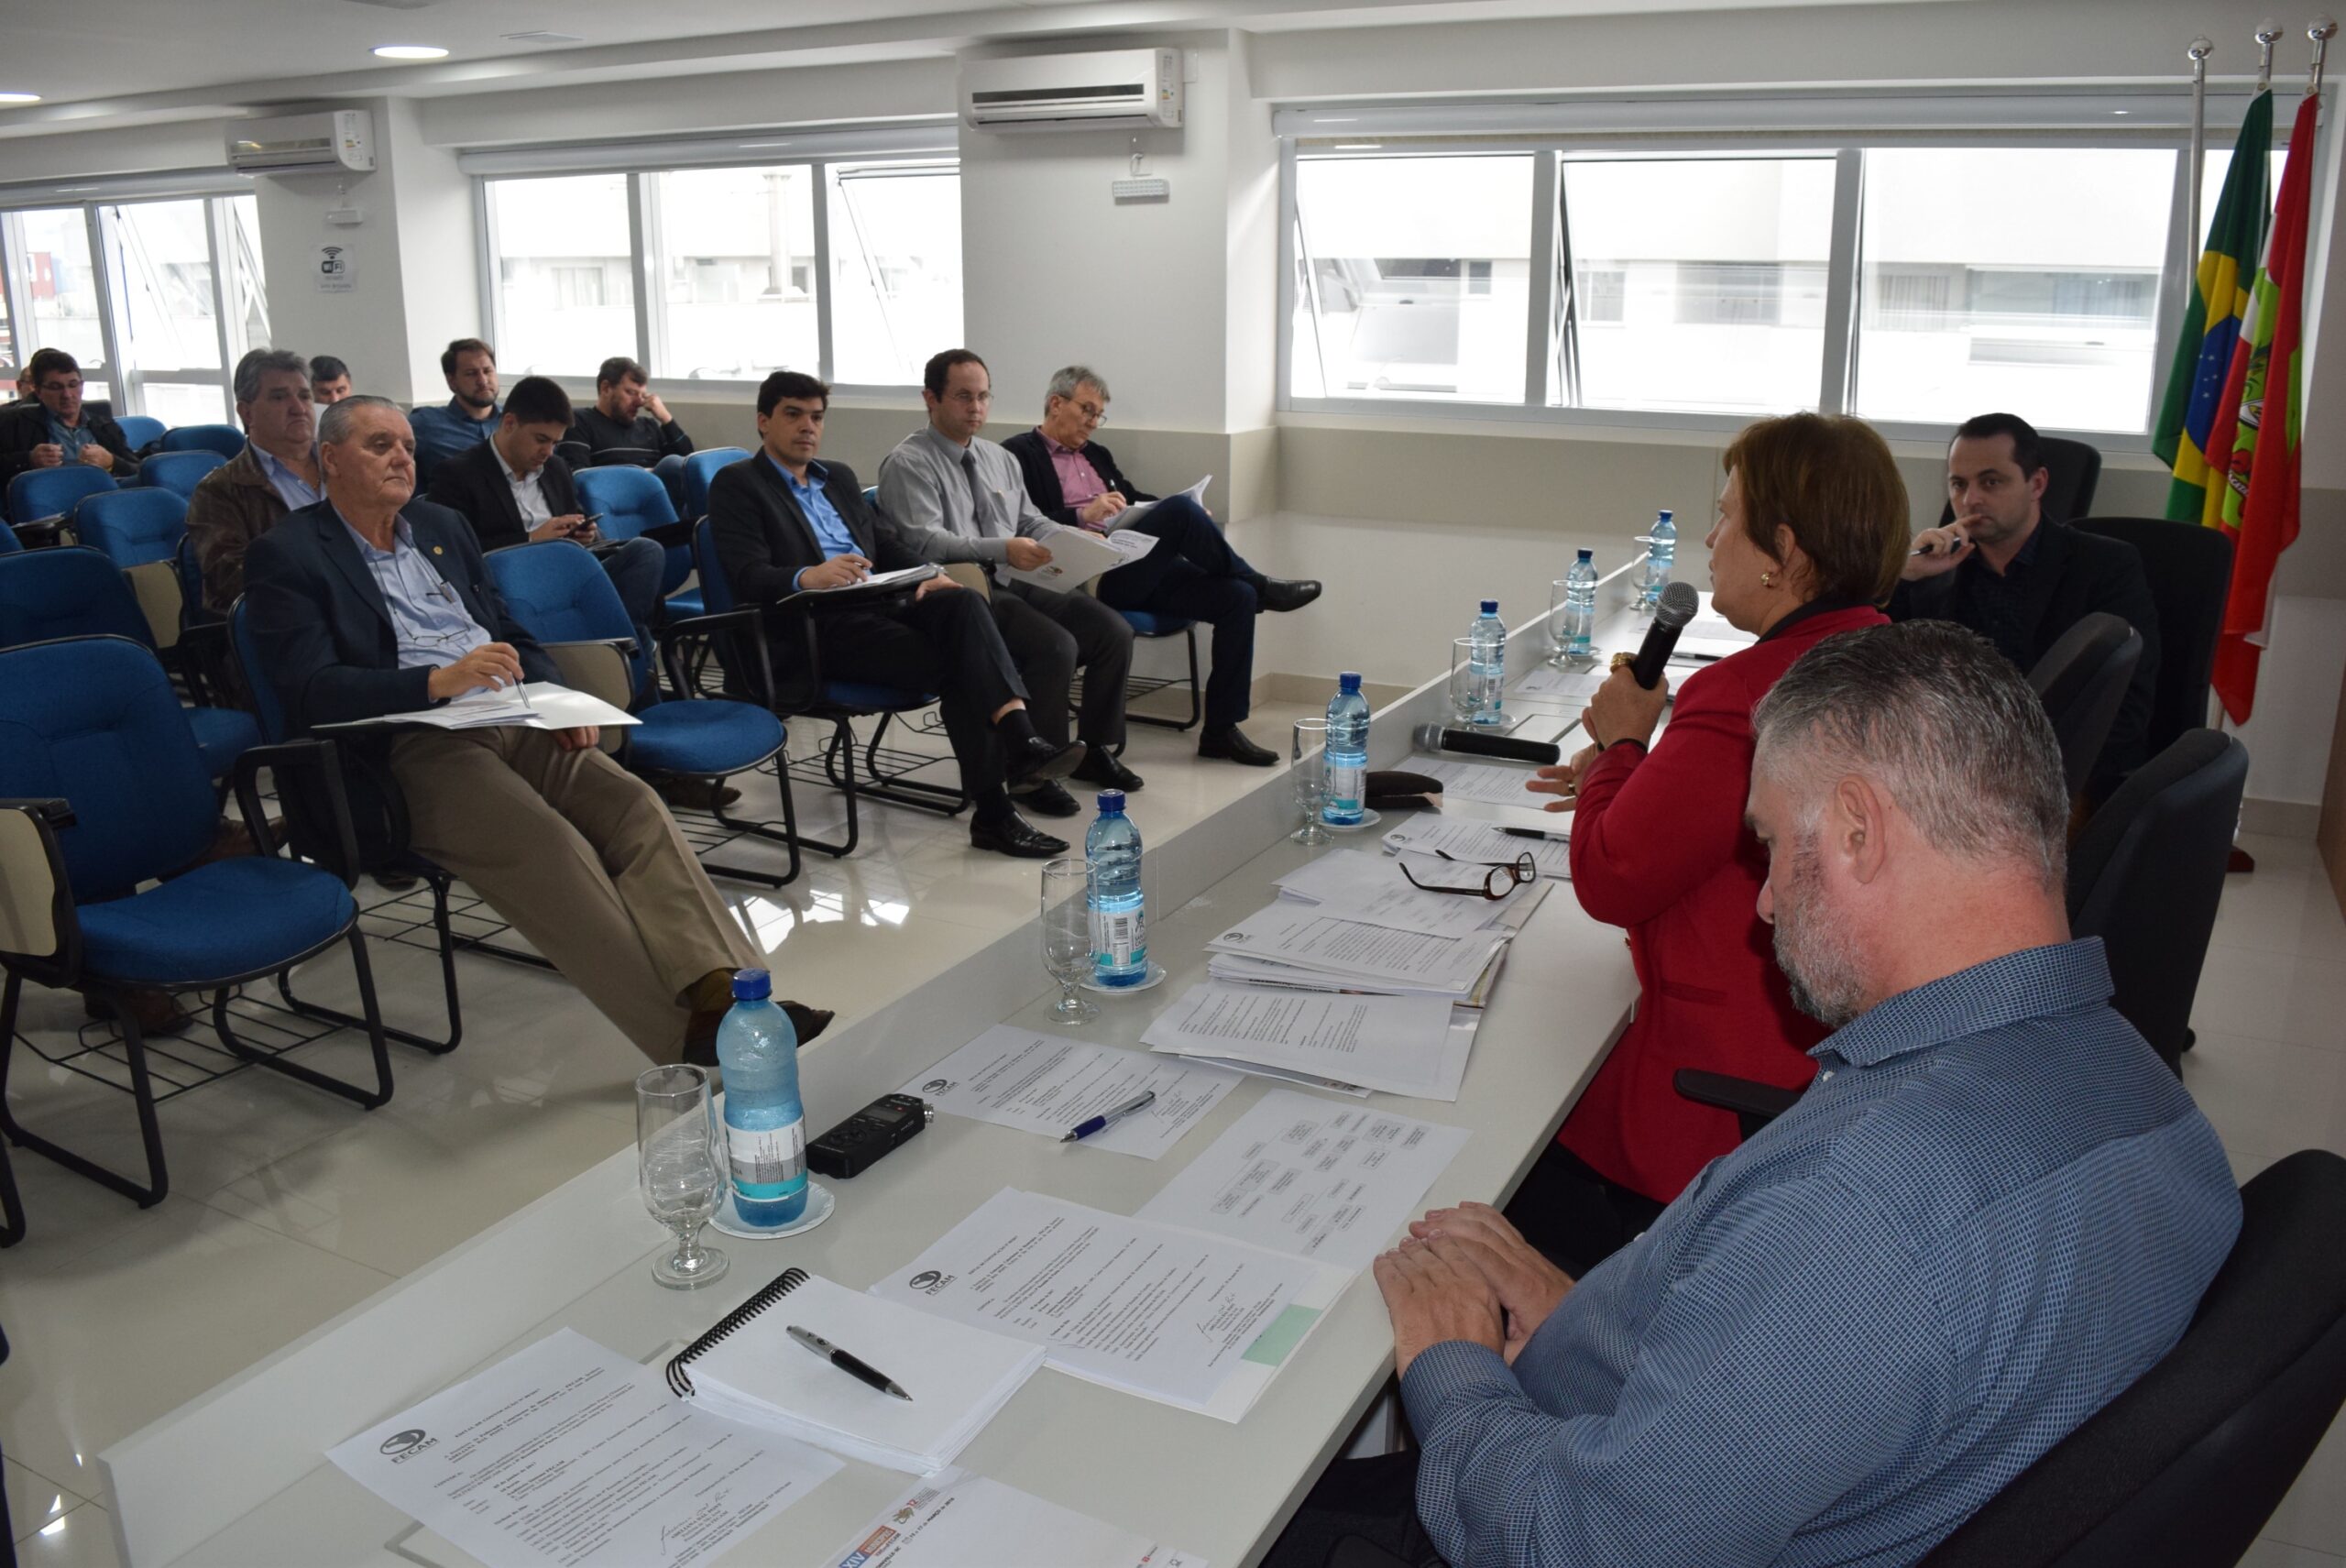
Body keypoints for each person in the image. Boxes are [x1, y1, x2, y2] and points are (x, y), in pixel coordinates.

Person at [1267, 620, 2242, 1568]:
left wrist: (1456, 1365)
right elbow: (1813, 1383)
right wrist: (1582, 1319)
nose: (1766, 898)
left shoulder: (1866, 1214)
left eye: (1771, 844)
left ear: (1857, 829)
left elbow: (1566, 1542)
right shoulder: (2147, 1097)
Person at [241, 395, 825, 1065]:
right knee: (550, 843)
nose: (402, 457)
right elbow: (310, 691)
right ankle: (685, 1038)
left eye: (406, 444)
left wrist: (559, 700)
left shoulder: (439, 525)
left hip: (511, 715)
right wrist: (434, 682)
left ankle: (731, 994)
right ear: (331, 459)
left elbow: (509, 631)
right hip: (407, 745)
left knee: (633, 805)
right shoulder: (287, 554)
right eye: (380, 446)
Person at [1509, 412, 1905, 1278]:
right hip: (1835, 1061)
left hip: (1711, 1099)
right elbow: (1717, 820)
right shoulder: (1876, 654)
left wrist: (1622, 747)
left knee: (1503, 1154)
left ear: (1784, 551)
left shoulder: (1742, 696)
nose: (1710, 537)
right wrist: (1646, 775)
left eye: (1725, 516)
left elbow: (1612, 878)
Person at [709, 370, 1084, 858]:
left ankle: (1015, 758)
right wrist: (807, 576)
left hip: (879, 605)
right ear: (763, 421)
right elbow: (746, 574)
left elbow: (883, 544)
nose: (808, 427)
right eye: (793, 415)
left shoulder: (838, 477)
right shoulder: (738, 484)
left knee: (962, 599)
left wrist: (930, 571)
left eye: (816, 417)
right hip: (813, 628)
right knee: (962, 664)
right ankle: (1005, 784)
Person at [1002, 366, 1321, 767]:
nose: (1093, 422)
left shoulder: (1097, 455)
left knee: (1235, 599)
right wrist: (1082, 515)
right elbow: (1019, 524)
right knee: (1195, 532)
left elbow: (1134, 499)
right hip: (1089, 578)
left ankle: (1221, 730)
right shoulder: (1017, 455)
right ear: (1055, 403)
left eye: (1099, 414)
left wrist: (1188, 514)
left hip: (1137, 564)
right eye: (1087, 410)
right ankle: (1261, 585)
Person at [876, 349, 1145, 817]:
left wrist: (1074, 542)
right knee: (1055, 646)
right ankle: (1036, 773)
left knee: (1111, 631)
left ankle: (1095, 749)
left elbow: (1030, 519)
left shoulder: (999, 458)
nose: (976, 408)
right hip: (966, 590)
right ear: (930, 399)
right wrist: (1004, 547)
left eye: (983, 397)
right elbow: (927, 541)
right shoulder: (908, 462)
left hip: (1017, 576)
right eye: (963, 397)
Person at [1892, 411, 2159, 802]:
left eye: (1991, 481)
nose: (1970, 500)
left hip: (2061, 774)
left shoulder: (2104, 567)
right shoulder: (1934, 574)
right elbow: (1886, 681)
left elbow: (2126, 705)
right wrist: (1905, 575)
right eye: (1958, 484)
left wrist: (2029, 778)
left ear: (2037, 483)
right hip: (1951, 774)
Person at [422, 373, 666, 685]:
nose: (548, 451)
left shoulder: (555, 468)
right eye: (541, 439)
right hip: (513, 590)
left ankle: (617, 640)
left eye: (555, 442)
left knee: (646, 551)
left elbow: (574, 516)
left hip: (571, 577)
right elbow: (454, 554)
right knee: (636, 632)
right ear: (509, 423)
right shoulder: (458, 474)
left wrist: (583, 532)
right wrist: (530, 540)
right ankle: (626, 656)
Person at [187, 349, 321, 613]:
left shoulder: (346, 469)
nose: (298, 408)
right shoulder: (220, 491)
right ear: (247, 413)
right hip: (289, 624)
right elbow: (233, 578)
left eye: (305, 396)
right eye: (279, 397)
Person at [566, 356, 695, 510]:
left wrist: (665, 418)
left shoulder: (649, 426)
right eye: (631, 392)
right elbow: (579, 475)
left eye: (642, 395)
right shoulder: (581, 421)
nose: (639, 402)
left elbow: (687, 462)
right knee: (672, 464)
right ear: (605, 388)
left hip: (661, 502)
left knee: (686, 465)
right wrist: (645, 477)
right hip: (617, 502)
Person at [0, 348, 141, 479]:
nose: (67, 395)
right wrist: (28, 459)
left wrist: (112, 462)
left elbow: (138, 471)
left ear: (82, 386)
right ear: (38, 392)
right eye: (56, 387)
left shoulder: (105, 426)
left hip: (102, 498)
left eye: (73, 385)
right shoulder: (15, 424)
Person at [408, 337, 500, 485]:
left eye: (487, 371)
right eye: (471, 373)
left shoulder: (516, 420)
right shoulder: (426, 423)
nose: (483, 381)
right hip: (456, 504)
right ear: (452, 382)